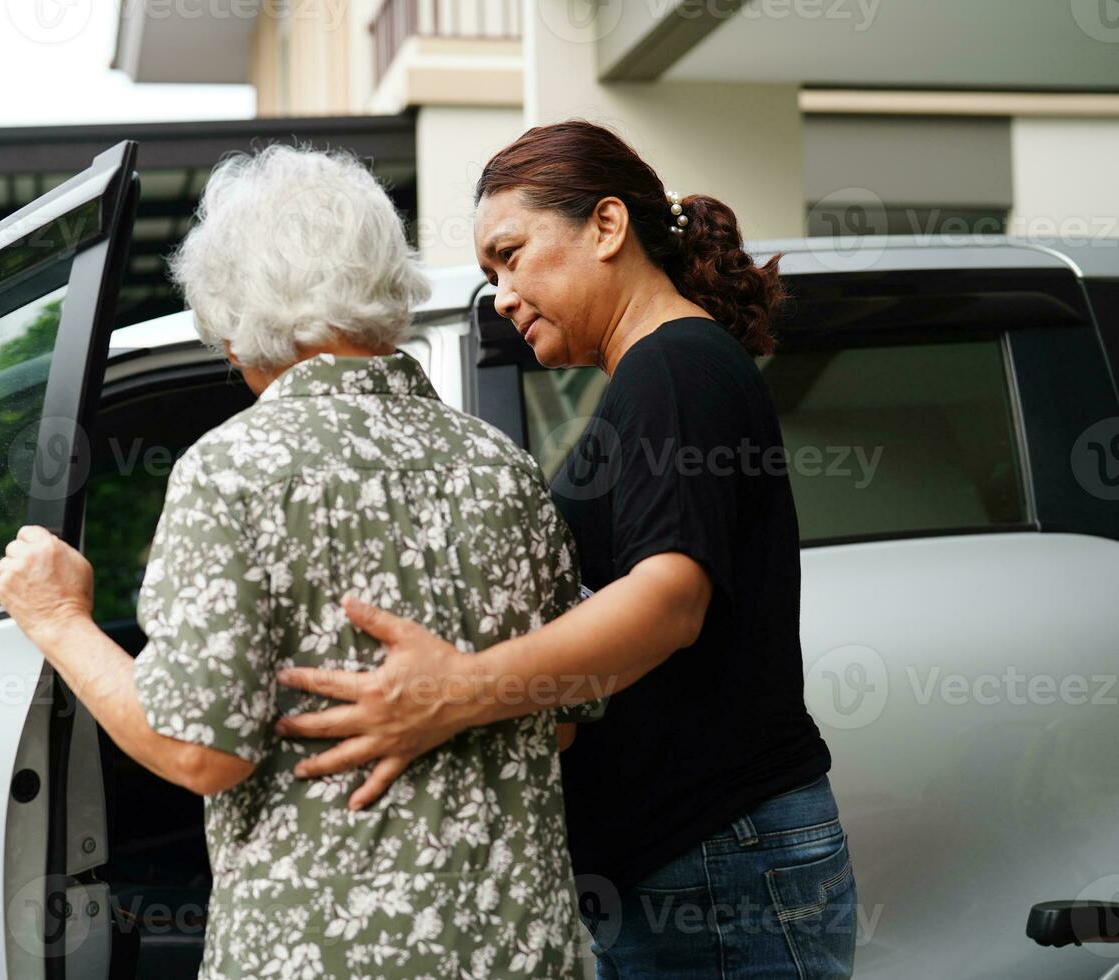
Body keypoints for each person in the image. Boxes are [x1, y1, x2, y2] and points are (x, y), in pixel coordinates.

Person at [273, 120, 859, 979]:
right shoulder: (654, 375)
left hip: (717, 861)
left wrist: (459, 691)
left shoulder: (676, 368)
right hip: (687, 865)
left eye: (510, 255)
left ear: (608, 227)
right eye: (488, 274)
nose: (503, 295)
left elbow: (669, 600)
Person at [0, 144, 593, 979]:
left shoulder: (232, 468)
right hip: (519, 950)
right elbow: (558, 720)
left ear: (233, 319)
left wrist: (59, 621)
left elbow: (201, 750)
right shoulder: (502, 466)